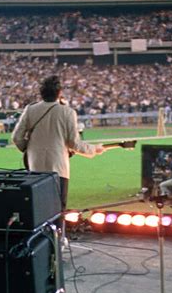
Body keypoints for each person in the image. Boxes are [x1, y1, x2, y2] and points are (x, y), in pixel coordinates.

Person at [12, 75, 105, 211]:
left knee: (38, 210)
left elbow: (16, 138)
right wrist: (94, 149)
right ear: (59, 93)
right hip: (58, 169)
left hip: (34, 168)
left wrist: (30, 149)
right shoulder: (68, 112)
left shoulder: (30, 109)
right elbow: (74, 143)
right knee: (57, 210)